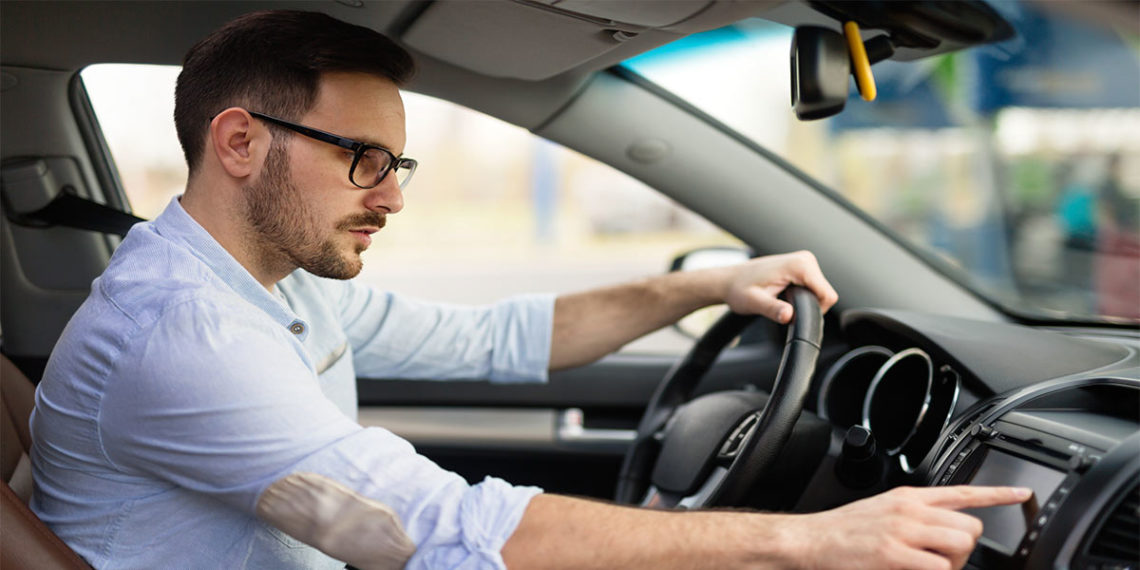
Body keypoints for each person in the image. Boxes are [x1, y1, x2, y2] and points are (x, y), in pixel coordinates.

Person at [30, 10, 1029, 570]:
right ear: (240, 142)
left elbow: (496, 340)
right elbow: (426, 529)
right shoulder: (182, 336)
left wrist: (706, 286)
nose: (393, 198)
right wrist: (807, 539)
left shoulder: (271, 279)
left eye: (401, 167)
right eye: (366, 159)